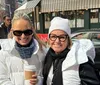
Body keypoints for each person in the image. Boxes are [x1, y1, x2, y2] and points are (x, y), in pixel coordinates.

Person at [42, 17, 100, 85]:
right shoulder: (48, 56)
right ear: (49, 38)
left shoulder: (79, 58)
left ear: (68, 40)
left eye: (62, 37)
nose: (57, 41)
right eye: (53, 36)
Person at [0, 13, 47, 85]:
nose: (23, 36)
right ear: (12, 32)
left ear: (32, 30)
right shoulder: (4, 52)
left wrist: (38, 81)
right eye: (18, 32)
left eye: (27, 32)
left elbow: (47, 77)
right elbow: (2, 80)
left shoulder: (42, 51)